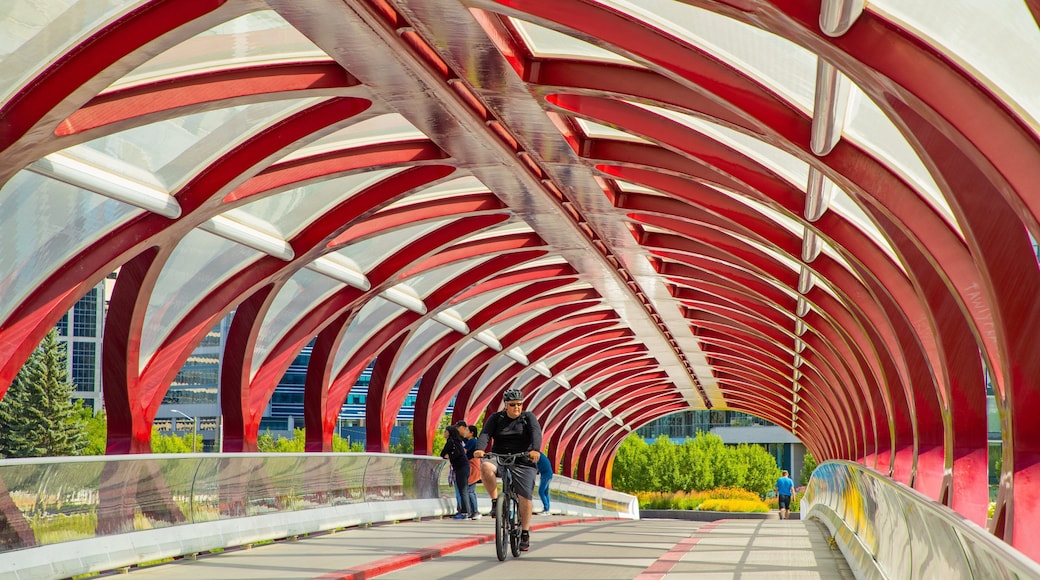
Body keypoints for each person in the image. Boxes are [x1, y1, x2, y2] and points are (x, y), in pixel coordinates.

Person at [474, 388, 542, 552]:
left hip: (523, 459)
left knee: (525, 496)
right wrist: (480, 448)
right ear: (506, 405)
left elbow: (536, 433)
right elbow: (485, 434)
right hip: (500, 457)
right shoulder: (496, 418)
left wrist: (535, 450)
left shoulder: (528, 417)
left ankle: (524, 532)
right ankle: (496, 501)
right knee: (485, 466)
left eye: (519, 404)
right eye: (512, 405)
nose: (517, 407)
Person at [440, 425, 471, 519]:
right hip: (464, 466)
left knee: (463, 490)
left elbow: (442, 454)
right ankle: (466, 511)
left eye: (445, 432)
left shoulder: (451, 442)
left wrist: (447, 456)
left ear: (449, 433)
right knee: (463, 489)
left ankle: (465, 512)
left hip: (460, 467)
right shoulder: (457, 441)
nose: (444, 433)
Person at [457, 421, 481, 519]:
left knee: (470, 490)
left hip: (473, 467)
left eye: (467, 430)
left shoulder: (472, 441)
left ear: (471, 433)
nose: (465, 432)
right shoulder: (470, 441)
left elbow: (463, 452)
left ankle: (475, 511)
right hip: (472, 466)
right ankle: (471, 511)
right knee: (469, 489)